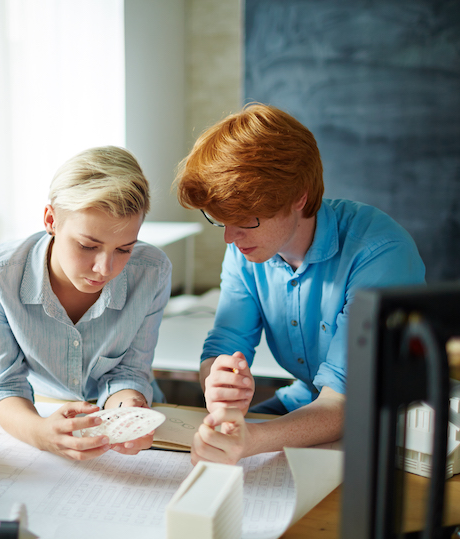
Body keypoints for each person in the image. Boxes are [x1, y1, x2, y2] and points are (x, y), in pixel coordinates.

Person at [176, 103, 426, 465]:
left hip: (393, 420)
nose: (230, 238)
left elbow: (344, 401)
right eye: (221, 221)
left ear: (299, 197)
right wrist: (217, 382)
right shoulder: (248, 249)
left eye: (245, 220)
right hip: (307, 401)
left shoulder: (379, 253)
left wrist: (254, 439)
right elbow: (224, 345)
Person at [0, 146, 172, 461]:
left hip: (132, 420)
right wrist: (40, 433)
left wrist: (127, 413)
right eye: (88, 245)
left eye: (124, 249)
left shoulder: (152, 271)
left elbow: (130, 371)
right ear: (51, 219)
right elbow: (3, 384)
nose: (105, 269)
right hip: (38, 412)